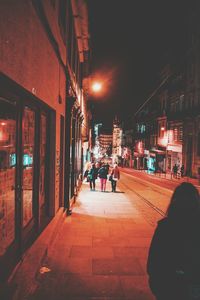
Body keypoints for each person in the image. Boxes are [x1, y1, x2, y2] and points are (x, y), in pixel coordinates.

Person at [147, 182, 200, 300]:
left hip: (167, 288)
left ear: (174, 202)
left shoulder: (165, 227)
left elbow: (153, 264)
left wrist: (159, 288)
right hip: (193, 290)